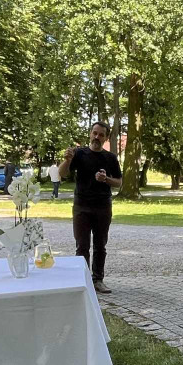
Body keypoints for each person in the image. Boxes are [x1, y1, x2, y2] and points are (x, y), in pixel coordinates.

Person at [59, 122, 123, 294]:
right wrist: (67, 160)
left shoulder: (110, 158)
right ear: (90, 133)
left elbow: (119, 182)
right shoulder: (79, 154)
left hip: (103, 206)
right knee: (82, 246)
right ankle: (83, 280)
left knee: (100, 245)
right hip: (82, 206)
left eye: (101, 135)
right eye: (94, 133)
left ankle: (98, 280)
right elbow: (62, 174)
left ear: (106, 138)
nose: (97, 137)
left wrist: (106, 179)